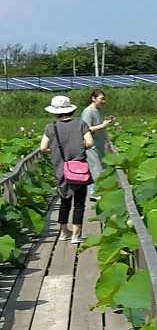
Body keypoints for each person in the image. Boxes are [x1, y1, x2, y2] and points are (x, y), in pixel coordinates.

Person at [39, 95, 94, 242]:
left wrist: (55, 150)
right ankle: (76, 235)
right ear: (70, 109)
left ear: (54, 112)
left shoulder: (51, 127)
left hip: (61, 168)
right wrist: (78, 148)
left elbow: (43, 147)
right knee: (79, 203)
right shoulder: (81, 124)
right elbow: (90, 143)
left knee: (64, 201)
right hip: (79, 168)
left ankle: (64, 232)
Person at [81, 87, 115, 189]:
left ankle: (99, 190)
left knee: (102, 168)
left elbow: (102, 129)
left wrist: (108, 142)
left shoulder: (99, 111)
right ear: (93, 98)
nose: (103, 101)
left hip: (100, 144)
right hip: (91, 145)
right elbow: (85, 129)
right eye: (101, 99)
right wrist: (102, 125)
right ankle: (95, 192)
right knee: (96, 169)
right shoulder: (88, 111)